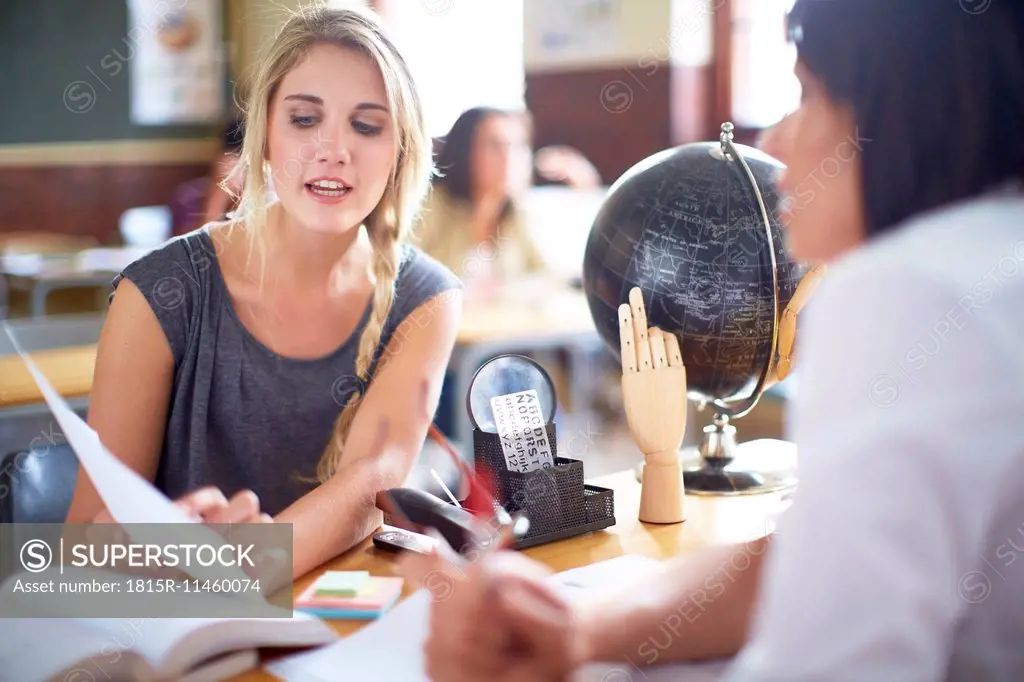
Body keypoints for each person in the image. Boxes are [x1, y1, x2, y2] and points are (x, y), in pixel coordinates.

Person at [400, 1, 1024, 680]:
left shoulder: (908, 290)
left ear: (904, 113)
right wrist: (580, 631)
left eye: (807, 95)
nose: (776, 143)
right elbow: (799, 562)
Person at [65, 4, 462, 581]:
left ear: (400, 149)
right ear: (266, 135)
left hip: (335, 638)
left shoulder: (427, 297)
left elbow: (371, 483)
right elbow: (85, 541)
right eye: (304, 119)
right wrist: (162, 544)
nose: (334, 149)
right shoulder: (160, 291)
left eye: (367, 125)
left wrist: (242, 562)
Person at [412, 106, 599, 284]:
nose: (508, 158)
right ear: (465, 151)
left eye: (517, 146)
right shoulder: (430, 208)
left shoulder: (515, 214)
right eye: (495, 145)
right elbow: (412, 282)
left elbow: (544, 275)